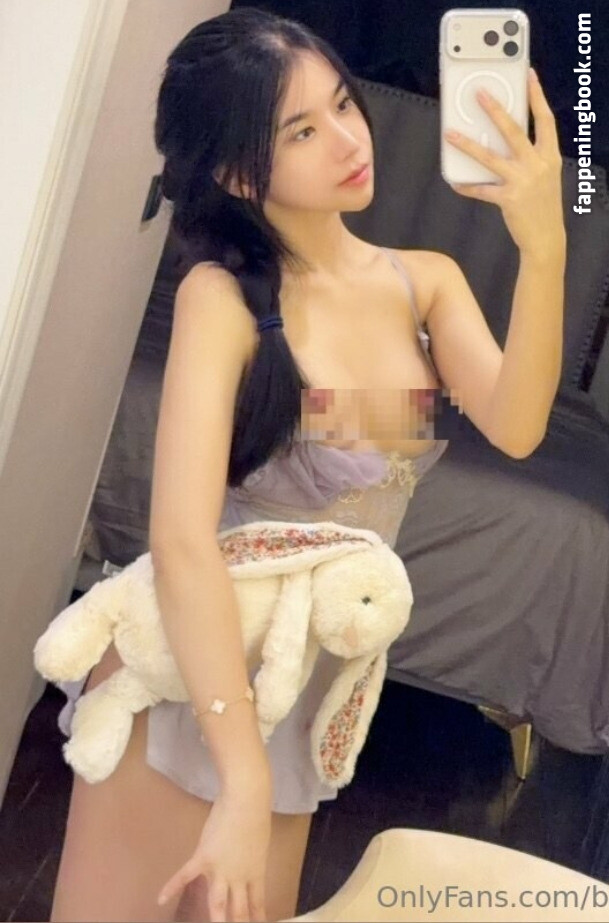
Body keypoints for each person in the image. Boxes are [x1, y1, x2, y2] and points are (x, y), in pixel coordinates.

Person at [50, 6, 565, 923]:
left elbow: (519, 426)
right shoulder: (222, 299)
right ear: (238, 172)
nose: (347, 139)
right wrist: (241, 773)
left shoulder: (423, 281)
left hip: (303, 701)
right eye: (300, 130)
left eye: (341, 104)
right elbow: (181, 539)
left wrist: (544, 249)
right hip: (191, 681)